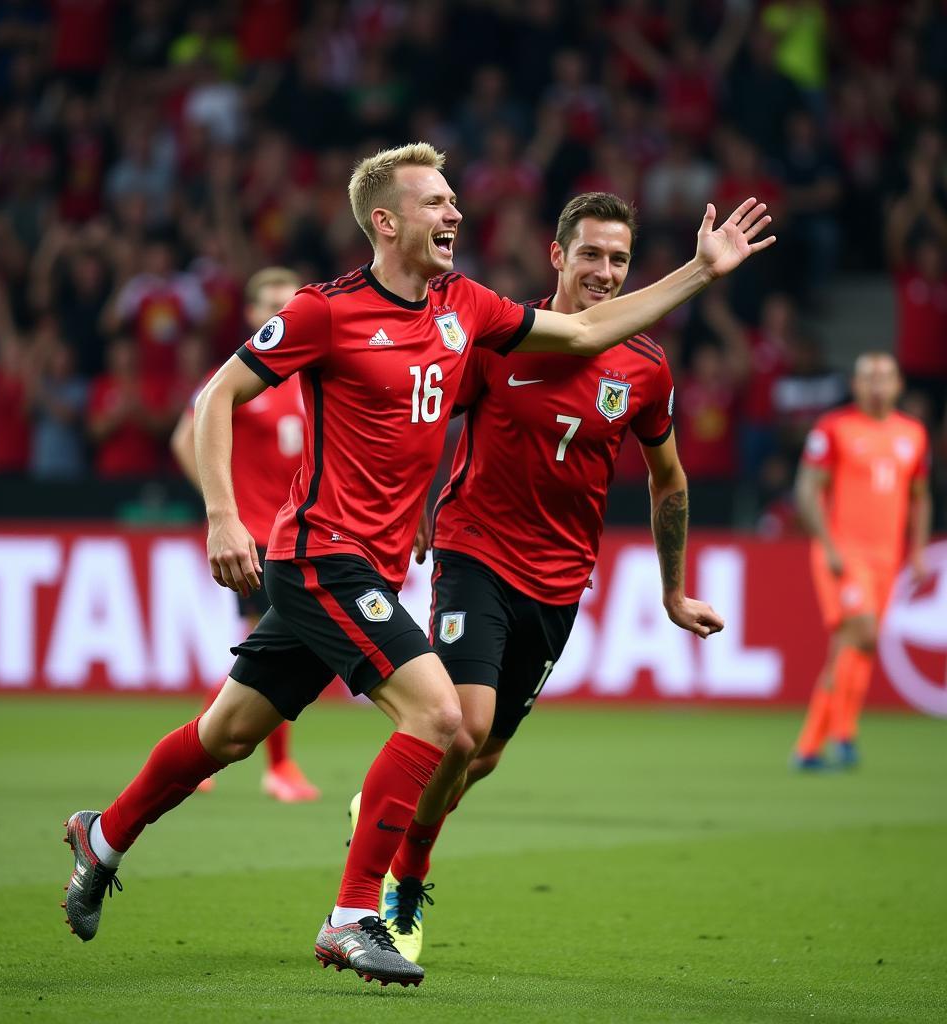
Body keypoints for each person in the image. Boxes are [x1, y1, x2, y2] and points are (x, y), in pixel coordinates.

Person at [61, 142, 773, 987]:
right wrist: (223, 515)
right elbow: (218, 394)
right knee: (443, 720)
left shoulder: (465, 307)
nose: (455, 214)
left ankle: (101, 836)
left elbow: (582, 330)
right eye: (436, 203)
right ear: (386, 222)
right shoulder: (325, 312)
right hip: (322, 551)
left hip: (374, 563)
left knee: (229, 734)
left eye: (453, 200)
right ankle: (354, 916)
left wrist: (700, 270)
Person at [363, 192, 724, 962]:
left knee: (480, 755)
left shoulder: (646, 367)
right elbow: (430, 415)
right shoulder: (499, 338)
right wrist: (418, 503)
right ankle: (403, 878)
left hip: (560, 582)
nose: (604, 271)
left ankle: (393, 803)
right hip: (475, 552)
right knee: (461, 728)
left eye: (619, 259)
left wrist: (671, 590)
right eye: (590, 254)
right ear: (557, 255)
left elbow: (669, 479)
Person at [170, 266, 320, 803]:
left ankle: (199, 749)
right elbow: (184, 439)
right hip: (256, 535)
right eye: (271, 306)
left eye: (290, 303)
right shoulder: (234, 375)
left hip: (303, 532)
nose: (282, 314)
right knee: (277, 652)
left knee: (273, 653)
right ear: (253, 315)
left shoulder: (314, 375)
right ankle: (274, 767)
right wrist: (222, 509)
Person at [792, 352, 930, 770]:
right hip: (843, 553)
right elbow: (806, 489)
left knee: (857, 645)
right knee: (863, 632)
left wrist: (919, 551)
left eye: (884, 377)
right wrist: (829, 546)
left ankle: (812, 746)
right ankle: (842, 735)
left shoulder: (913, 434)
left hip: (886, 557)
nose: (876, 385)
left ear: (899, 385)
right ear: (855, 385)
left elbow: (920, 497)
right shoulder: (834, 428)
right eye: (868, 377)